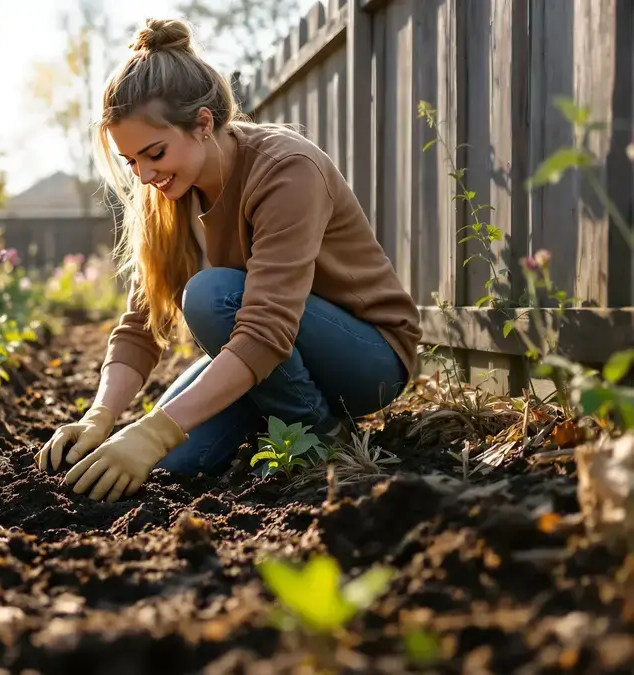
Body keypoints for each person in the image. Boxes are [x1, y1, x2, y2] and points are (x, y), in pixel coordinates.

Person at [34, 18, 422, 503]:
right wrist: (101, 417)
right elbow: (140, 327)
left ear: (202, 124)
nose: (145, 174)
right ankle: (284, 409)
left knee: (211, 296)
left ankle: (320, 436)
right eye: (132, 162)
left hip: (368, 358)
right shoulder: (169, 198)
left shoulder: (285, 170)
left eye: (154, 153)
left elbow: (264, 329)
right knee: (175, 462)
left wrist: (154, 430)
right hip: (279, 353)